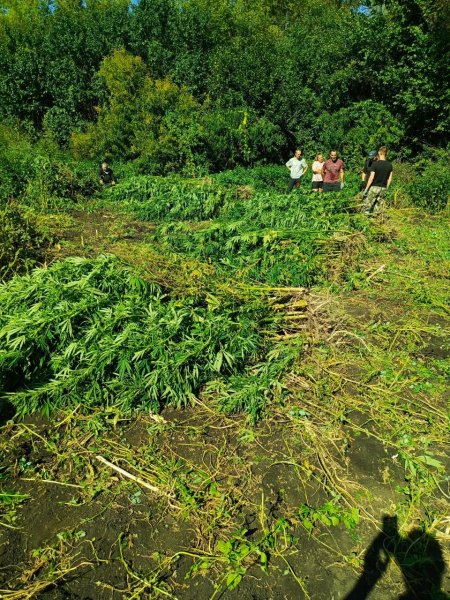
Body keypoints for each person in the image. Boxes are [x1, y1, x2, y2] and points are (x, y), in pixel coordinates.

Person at [361, 146, 393, 215]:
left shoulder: (375, 164)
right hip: (383, 188)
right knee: (378, 209)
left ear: (379, 152)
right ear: (386, 153)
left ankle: (364, 221)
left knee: (366, 207)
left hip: (374, 188)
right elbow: (389, 179)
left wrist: (366, 189)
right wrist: (386, 188)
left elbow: (371, 178)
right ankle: (377, 222)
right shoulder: (390, 165)